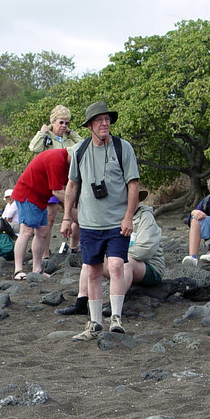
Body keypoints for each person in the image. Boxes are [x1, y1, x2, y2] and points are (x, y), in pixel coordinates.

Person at [60, 101, 140, 340]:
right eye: (99, 120)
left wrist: (128, 217)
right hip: (89, 223)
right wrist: (66, 217)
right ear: (90, 126)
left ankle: (116, 317)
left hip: (117, 222)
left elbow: (133, 184)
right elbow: (72, 184)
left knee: (116, 265)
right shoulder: (80, 151)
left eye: (107, 119)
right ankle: (95, 323)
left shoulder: (123, 148)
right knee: (93, 271)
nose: (105, 123)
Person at [59, 190, 164, 317]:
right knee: (91, 259)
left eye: (132, 198)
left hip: (149, 267)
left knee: (125, 262)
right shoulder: (112, 217)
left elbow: (145, 250)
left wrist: (114, 254)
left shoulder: (145, 217)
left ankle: (115, 308)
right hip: (119, 263)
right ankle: (81, 302)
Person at [10, 147, 72, 279]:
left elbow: (67, 189)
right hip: (28, 194)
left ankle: (37, 269)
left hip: (41, 198)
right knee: (26, 231)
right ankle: (18, 270)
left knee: (42, 232)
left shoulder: (66, 163)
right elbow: (57, 192)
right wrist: (71, 209)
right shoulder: (57, 159)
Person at [28, 104, 81, 253]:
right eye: (61, 122)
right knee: (49, 219)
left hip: (68, 182)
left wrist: (72, 134)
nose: (64, 125)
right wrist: (41, 132)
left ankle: (74, 248)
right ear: (53, 122)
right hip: (50, 184)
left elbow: (84, 146)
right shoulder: (46, 137)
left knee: (77, 214)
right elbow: (34, 148)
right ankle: (45, 255)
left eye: (67, 122)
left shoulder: (69, 138)